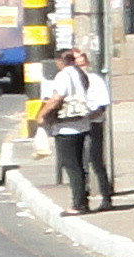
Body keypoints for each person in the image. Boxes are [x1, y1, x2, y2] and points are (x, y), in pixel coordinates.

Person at [38, 45, 115, 212]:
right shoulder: (81, 74)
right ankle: (82, 201)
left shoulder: (64, 75)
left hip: (67, 126)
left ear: (59, 61)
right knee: (80, 164)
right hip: (81, 123)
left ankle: (79, 203)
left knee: (71, 165)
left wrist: (42, 115)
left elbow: (57, 97)